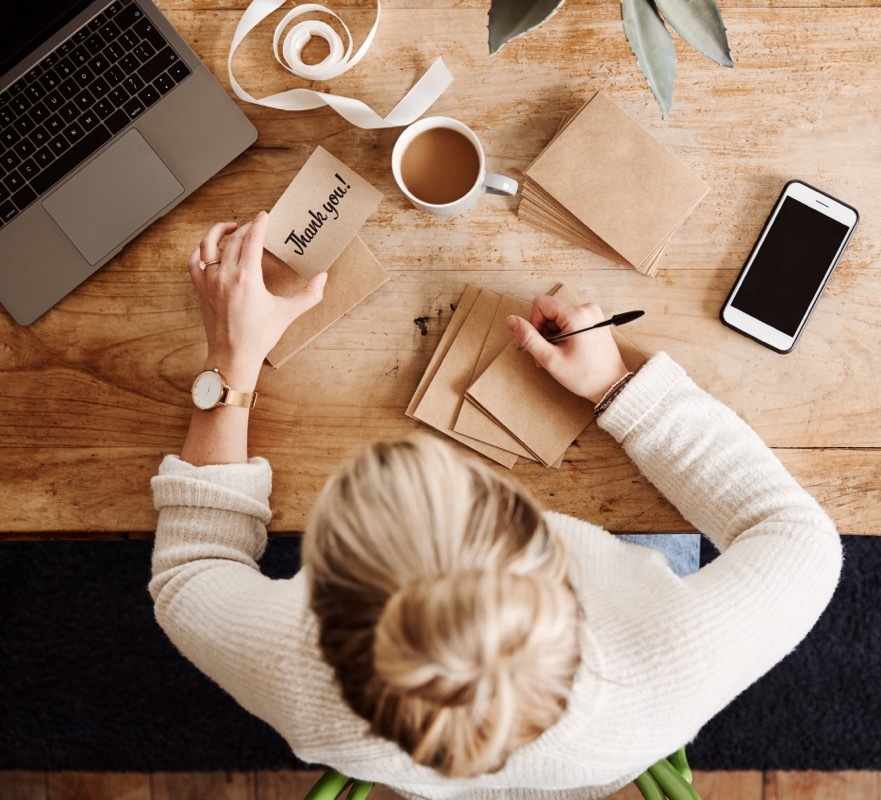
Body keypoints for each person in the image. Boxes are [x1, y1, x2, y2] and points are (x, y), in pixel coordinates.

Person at [151, 212, 843, 799]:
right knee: (660, 538)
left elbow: (191, 573)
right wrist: (619, 391)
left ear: (319, 612)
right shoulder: (670, 667)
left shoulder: (297, 672)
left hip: (417, 760)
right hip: (616, 746)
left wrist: (230, 365)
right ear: (550, 556)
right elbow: (800, 536)